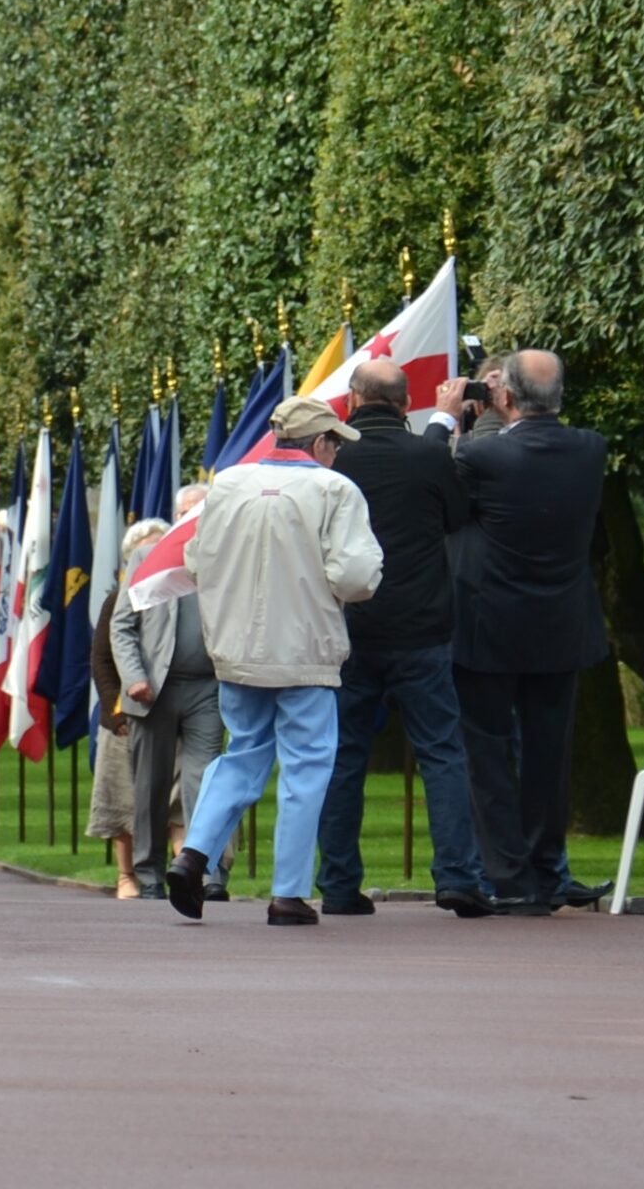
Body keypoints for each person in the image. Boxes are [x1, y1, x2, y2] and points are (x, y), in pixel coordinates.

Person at [162, 397, 382, 926]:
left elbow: (195, 560)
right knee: (306, 768)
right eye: (334, 444)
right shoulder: (335, 490)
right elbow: (357, 577)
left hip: (237, 648)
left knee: (243, 753)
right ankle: (287, 893)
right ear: (321, 443)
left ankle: (194, 852)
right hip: (304, 649)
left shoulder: (228, 484)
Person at [428, 349, 610, 914]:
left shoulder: (483, 455)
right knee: (547, 756)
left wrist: (449, 418)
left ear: (504, 397)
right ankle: (546, 869)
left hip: (489, 624)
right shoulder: (590, 448)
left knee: (487, 757)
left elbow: (439, 498)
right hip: (561, 624)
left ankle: (509, 876)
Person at [319, 358, 489, 917]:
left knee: (343, 757)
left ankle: (339, 882)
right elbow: (458, 515)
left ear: (351, 402)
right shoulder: (425, 455)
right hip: (421, 626)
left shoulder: (335, 461)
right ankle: (458, 875)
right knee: (442, 753)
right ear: (401, 404)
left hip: (349, 629)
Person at [113, 490, 230, 904]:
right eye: (187, 512)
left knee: (208, 782)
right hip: (153, 691)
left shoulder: (224, 556)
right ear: (176, 516)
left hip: (208, 688)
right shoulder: (148, 559)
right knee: (151, 787)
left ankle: (209, 872)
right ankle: (149, 876)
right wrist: (133, 676)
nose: (194, 519)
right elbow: (121, 626)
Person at [87, 519, 164, 896]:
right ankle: (126, 875)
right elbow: (101, 660)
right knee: (123, 797)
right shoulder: (116, 600)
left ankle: (168, 871)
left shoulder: (179, 595)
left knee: (169, 798)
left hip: (169, 713)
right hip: (123, 715)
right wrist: (115, 710)